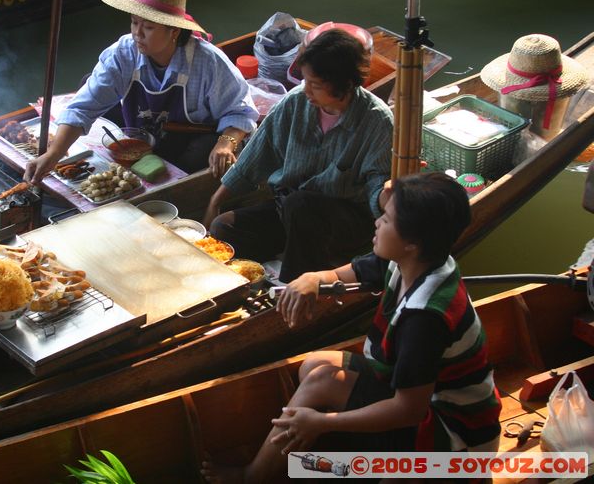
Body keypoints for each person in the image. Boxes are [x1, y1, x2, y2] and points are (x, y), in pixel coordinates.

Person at [202, 172, 502, 483]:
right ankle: (338, 453)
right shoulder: (413, 260)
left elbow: (408, 410)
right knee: (314, 366)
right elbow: (345, 273)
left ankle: (253, 476)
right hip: (427, 404)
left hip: (456, 442)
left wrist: (323, 422)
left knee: (321, 384)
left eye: (386, 219)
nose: (377, 223)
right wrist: (313, 279)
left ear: (411, 243)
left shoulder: (424, 318)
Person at [24, 0, 258, 181]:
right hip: (141, 129)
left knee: (200, 155)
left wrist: (225, 144)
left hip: (186, 137)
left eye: (148, 27)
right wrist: (53, 154)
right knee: (88, 82)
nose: (137, 33)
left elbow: (241, 112)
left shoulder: (208, 62)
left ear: (174, 31)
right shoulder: (124, 52)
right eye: (134, 23)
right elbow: (83, 107)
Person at [204, 28, 392, 283]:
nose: (306, 91)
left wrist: (385, 196)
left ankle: (293, 286)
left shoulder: (377, 121)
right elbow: (257, 156)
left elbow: (377, 182)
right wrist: (215, 201)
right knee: (223, 228)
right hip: (291, 211)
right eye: (305, 81)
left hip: (345, 222)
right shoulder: (295, 102)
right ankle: (283, 259)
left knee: (301, 206)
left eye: (315, 85)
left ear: (345, 85)